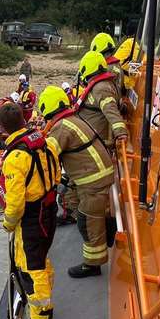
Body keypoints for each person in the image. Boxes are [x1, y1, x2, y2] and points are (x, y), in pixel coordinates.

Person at [0, 101, 61, 319]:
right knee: (42, 259)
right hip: (49, 210)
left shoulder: (15, 157)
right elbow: (55, 175)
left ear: (3, 127)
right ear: (25, 119)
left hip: (31, 218)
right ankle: (43, 307)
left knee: (31, 267)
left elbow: (15, 203)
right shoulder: (46, 143)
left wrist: (8, 224)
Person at [39, 85, 115, 278]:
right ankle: (109, 228)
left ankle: (92, 264)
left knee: (87, 221)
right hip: (97, 175)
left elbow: (47, 157)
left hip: (93, 180)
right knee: (94, 215)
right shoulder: (72, 119)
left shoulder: (61, 128)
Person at [74, 51, 129, 148]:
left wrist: (120, 132)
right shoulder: (104, 84)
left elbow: (111, 110)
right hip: (91, 134)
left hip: (95, 138)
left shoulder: (101, 87)